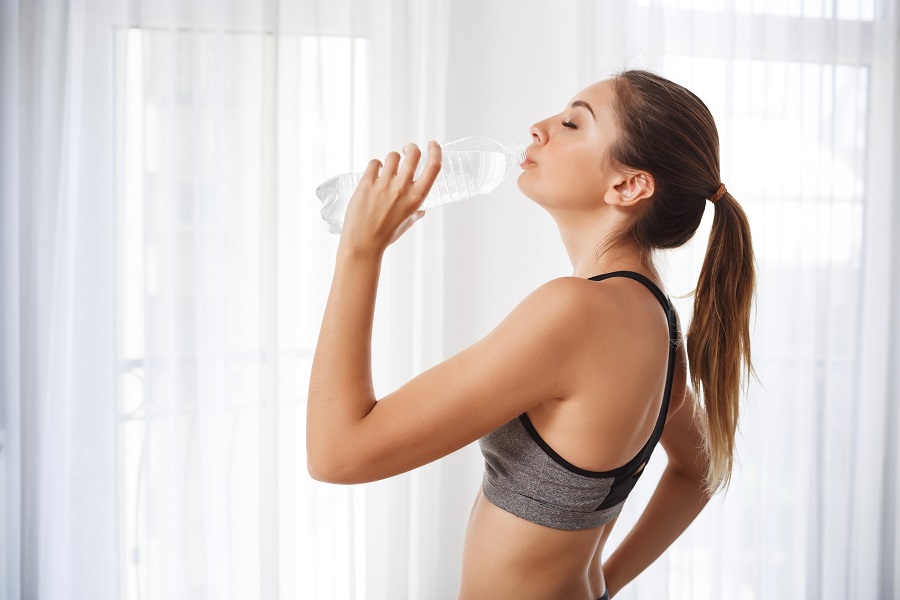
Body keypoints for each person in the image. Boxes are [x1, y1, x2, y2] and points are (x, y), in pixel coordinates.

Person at [307, 69, 756, 599]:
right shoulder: (652, 316)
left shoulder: (576, 313)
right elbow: (699, 467)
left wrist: (360, 253)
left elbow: (337, 453)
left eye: (572, 123)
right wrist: (600, 585)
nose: (539, 128)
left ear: (629, 184)